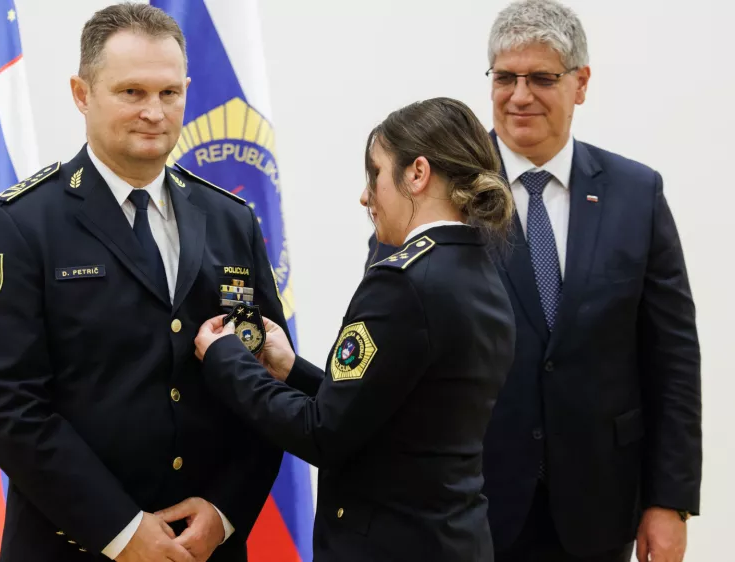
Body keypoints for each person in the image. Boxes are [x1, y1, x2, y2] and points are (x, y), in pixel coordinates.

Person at [367, 2, 703, 561]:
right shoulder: (436, 192)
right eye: (505, 78)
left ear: (581, 83)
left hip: (601, 503)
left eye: (542, 78)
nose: (520, 96)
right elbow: (392, 341)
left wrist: (669, 500)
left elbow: (672, 358)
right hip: (467, 505)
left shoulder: (636, 194)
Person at [0, 4, 288, 562]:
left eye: (169, 93)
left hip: (204, 549)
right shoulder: (21, 223)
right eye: (131, 92)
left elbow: (263, 386)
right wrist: (120, 529)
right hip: (75, 545)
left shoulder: (231, 219)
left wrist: (224, 511)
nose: (154, 113)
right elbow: (7, 407)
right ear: (81, 93)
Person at [195, 97, 518, 562]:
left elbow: (322, 433)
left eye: (375, 174)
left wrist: (226, 356)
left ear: (417, 173)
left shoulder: (402, 282)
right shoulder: (479, 269)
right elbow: (385, 409)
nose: (365, 197)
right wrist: (291, 369)